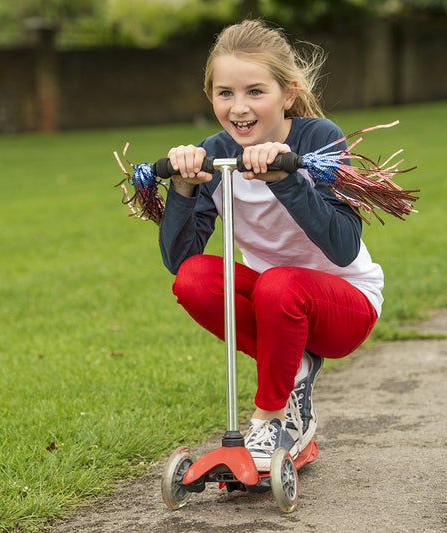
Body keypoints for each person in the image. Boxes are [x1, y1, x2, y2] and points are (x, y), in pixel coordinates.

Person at [158, 19, 383, 471]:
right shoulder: (215, 152)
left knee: (278, 283)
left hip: (344, 305)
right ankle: (293, 367)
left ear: (288, 95)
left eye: (255, 92)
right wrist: (182, 188)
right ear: (211, 97)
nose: (239, 108)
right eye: (225, 93)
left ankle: (271, 418)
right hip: (273, 303)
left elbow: (342, 246)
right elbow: (180, 261)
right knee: (195, 279)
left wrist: (284, 178)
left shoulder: (317, 138)